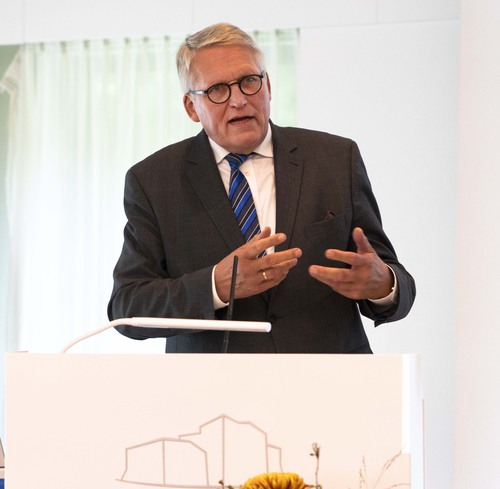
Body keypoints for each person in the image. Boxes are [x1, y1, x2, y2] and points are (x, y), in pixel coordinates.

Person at [107, 22, 416, 353]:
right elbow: (127, 309)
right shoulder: (154, 180)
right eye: (217, 90)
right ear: (191, 107)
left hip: (330, 386)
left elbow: (394, 281)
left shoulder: (335, 159)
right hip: (215, 395)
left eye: (249, 81)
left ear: (267, 85)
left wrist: (383, 284)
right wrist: (215, 286)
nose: (239, 100)